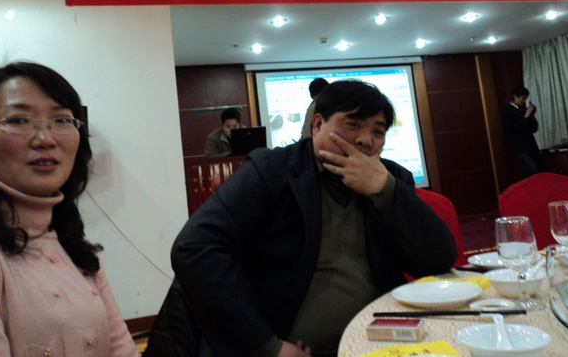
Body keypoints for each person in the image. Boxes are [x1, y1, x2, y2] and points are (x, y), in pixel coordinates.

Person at [148, 80, 457, 357]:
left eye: (378, 132)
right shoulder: (271, 171)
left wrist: (386, 190)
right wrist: (265, 347)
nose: (366, 140)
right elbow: (194, 248)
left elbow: (438, 260)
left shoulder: (391, 179)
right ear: (317, 125)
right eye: (353, 124)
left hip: (381, 344)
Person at [0, 62, 139, 357]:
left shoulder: (76, 247)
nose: (45, 139)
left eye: (61, 120)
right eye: (18, 120)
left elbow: (121, 349)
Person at [500, 86, 540, 178]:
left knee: (532, 171)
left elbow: (534, 129)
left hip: (531, 146)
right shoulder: (506, 110)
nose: (524, 101)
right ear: (515, 96)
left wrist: (532, 116)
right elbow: (511, 129)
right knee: (533, 169)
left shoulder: (524, 109)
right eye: (523, 98)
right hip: (519, 147)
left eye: (526, 98)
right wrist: (526, 116)